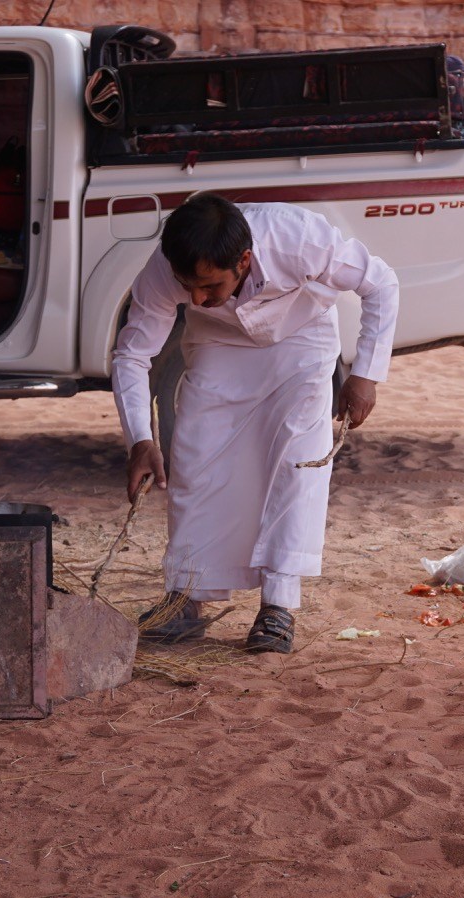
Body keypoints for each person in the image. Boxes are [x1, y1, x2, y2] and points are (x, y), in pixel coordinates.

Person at [110, 193, 398, 653]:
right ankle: (184, 598)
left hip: (301, 342)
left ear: (244, 261)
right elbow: (132, 354)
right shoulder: (166, 270)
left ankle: (277, 607)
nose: (197, 298)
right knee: (194, 459)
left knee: (296, 463)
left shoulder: (297, 238)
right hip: (218, 346)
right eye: (189, 287)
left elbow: (380, 282)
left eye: (208, 285)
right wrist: (140, 440)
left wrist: (365, 375)